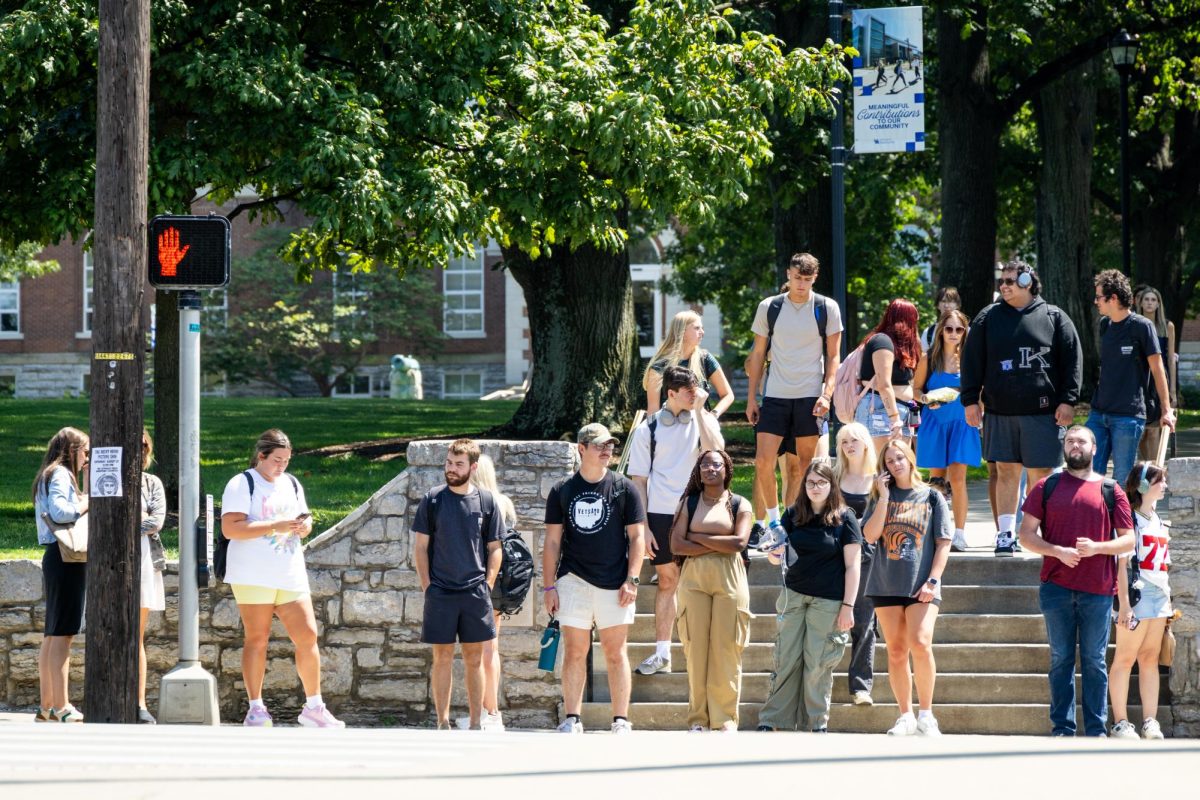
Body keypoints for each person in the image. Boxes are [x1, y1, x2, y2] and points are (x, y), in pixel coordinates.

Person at [221, 428, 344, 728]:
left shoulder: (291, 483)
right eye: (277, 460)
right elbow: (231, 529)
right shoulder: (242, 483)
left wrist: (305, 527)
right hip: (253, 574)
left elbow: (305, 516)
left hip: (289, 571)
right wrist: (274, 525)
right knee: (257, 639)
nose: (282, 466)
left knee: (308, 636)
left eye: (286, 460)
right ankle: (256, 708)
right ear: (261, 456)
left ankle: (314, 706)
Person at [1017, 426, 1135, 737]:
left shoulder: (1111, 490)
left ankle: (1097, 729)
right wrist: (1056, 551)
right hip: (1056, 588)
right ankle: (1063, 728)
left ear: (1094, 449)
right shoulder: (1048, 485)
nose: (1075, 446)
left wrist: (1098, 548)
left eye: (1081, 441)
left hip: (1098, 589)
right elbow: (1025, 535)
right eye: (1070, 441)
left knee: (1095, 661)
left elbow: (1128, 541)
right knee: (1061, 659)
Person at [961, 259, 1082, 557]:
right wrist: (969, 399)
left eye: (1011, 281)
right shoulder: (987, 318)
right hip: (1000, 411)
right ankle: (1005, 534)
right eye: (1001, 281)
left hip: (1042, 412)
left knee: (1041, 475)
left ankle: (1034, 532)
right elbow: (972, 360)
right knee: (1005, 471)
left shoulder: (1054, 317)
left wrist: (1068, 400)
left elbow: (1072, 361)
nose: (1003, 286)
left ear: (1028, 282)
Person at [544, 423, 647, 734]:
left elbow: (638, 537)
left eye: (610, 445)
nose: (607, 450)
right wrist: (549, 585)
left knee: (616, 652)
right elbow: (551, 542)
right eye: (600, 445)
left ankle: (621, 720)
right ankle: (572, 718)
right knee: (575, 651)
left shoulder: (624, 487)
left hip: (615, 581)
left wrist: (633, 578)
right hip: (573, 579)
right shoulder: (562, 490)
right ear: (581, 449)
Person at [628, 365, 724, 677]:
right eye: (688, 392)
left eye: (697, 390)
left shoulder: (701, 420)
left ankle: (703, 650)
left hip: (697, 512)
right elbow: (638, 481)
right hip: (659, 516)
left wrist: (699, 412)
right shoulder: (648, 429)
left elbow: (716, 452)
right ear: (671, 394)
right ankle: (662, 653)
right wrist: (642, 528)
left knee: (699, 582)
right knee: (667, 582)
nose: (695, 395)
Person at [757, 461, 860, 732]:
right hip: (794, 595)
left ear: (831, 485)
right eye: (810, 482)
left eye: (821, 482)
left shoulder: (845, 517)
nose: (815, 488)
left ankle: (816, 722)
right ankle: (773, 720)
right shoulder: (793, 514)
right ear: (804, 486)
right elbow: (774, 555)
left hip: (829, 600)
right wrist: (772, 553)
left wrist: (848, 605)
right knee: (786, 658)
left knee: (818, 661)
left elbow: (853, 566)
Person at [745, 252, 843, 534]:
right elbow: (758, 353)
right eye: (798, 278)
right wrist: (752, 397)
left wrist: (827, 394)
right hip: (775, 394)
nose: (802, 284)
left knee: (803, 467)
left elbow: (834, 356)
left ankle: (794, 520)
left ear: (815, 279)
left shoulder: (826, 307)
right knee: (763, 461)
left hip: (810, 395)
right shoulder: (770, 306)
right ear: (788, 274)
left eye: (808, 280)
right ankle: (773, 522)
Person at [861, 440, 952, 736]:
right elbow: (870, 536)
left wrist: (933, 580)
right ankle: (905, 715)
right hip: (886, 582)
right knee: (897, 650)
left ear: (910, 458)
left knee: (921, 643)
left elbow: (943, 543)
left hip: (922, 583)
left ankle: (927, 713)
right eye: (889, 461)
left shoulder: (932, 497)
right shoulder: (879, 497)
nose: (896, 463)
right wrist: (884, 497)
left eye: (900, 457)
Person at [413, 439, 504, 730]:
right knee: (441, 657)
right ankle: (442, 721)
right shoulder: (433, 499)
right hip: (440, 591)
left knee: (474, 658)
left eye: (459, 464)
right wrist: (427, 585)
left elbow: (495, 548)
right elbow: (420, 547)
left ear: (473, 467)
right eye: (449, 463)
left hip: (475, 591)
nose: (451, 469)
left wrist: (488, 584)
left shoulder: (487, 501)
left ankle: (477, 722)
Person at [668, 450, 753, 731]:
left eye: (716, 464)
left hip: (729, 577)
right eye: (704, 464)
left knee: (726, 649)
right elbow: (677, 546)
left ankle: (725, 718)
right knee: (696, 650)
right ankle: (698, 720)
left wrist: (697, 537)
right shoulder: (688, 503)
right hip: (694, 579)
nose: (710, 469)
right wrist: (719, 542)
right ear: (699, 471)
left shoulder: (739, 504)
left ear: (726, 469)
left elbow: (739, 543)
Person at [1088, 269, 1175, 486]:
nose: (1096, 301)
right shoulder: (1104, 325)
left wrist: (1166, 409)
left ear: (1113, 298)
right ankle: (1095, 519)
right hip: (1099, 412)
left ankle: (1123, 520)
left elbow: (1158, 370)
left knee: (1122, 478)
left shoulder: (1141, 327)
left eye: (1099, 297)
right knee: (1089, 474)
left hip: (1128, 415)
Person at [1109, 461, 1172, 740]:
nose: (1165, 486)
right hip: (1136, 596)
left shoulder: (1158, 519)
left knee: (1149, 659)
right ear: (1144, 486)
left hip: (1160, 597)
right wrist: (1124, 604)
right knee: (1125, 658)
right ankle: (1120, 722)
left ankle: (1150, 720)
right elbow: (1121, 565)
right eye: (1160, 481)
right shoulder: (1129, 521)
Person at [32, 427, 89, 723]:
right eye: (85, 452)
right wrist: (87, 500)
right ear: (72, 450)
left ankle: (47, 706)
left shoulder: (47, 474)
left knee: (52, 633)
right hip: (66, 556)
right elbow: (61, 511)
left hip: (54, 555)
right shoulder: (61, 474)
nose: (86, 458)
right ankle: (63, 705)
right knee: (63, 634)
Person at [457, 453, 515, 731]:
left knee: (480, 649)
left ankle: (486, 712)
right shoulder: (504, 504)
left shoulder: (475, 503)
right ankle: (492, 711)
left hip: (479, 581)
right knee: (492, 646)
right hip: (501, 583)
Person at [914, 310, 980, 552]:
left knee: (959, 479)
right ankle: (935, 532)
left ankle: (959, 534)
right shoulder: (928, 359)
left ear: (965, 332)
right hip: (935, 423)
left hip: (962, 424)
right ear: (941, 329)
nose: (953, 334)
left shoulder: (971, 359)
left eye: (959, 329)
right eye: (949, 328)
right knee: (936, 482)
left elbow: (979, 391)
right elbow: (916, 389)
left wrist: (979, 411)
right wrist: (925, 398)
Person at [833, 423, 877, 706]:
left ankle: (861, 686)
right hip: (833, 556)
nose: (849, 445)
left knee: (863, 621)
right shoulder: (834, 477)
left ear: (865, 444)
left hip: (868, 559)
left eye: (854, 440)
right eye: (844, 441)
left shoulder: (877, 480)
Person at [855, 298, 921, 456]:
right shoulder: (882, 341)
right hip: (881, 411)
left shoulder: (901, 348)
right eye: (913, 322)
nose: (915, 327)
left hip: (899, 412)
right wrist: (895, 419)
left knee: (899, 468)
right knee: (882, 468)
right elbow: (884, 385)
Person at [643, 310, 735, 418]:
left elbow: (728, 395)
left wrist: (713, 415)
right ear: (682, 332)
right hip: (668, 429)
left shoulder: (705, 359)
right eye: (697, 328)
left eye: (702, 328)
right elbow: (653, 409)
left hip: (699, 429)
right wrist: (654, 432)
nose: (702, 332)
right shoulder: (659, 366)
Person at [137, 429, 167, 725]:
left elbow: (155, 522)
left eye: (145, 445)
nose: (142, 450)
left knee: (136, 635)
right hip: (106, 559)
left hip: (143, 558)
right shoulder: (104, 477)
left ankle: (139, 701)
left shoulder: (152, 483)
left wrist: (120, 521)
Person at [1135, 287, 1178, 461]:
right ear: (1140, 303)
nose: (1150, 303)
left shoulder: (1167, 326)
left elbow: (1170, 360)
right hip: (1139, 380)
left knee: (1153, 430)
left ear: (1158, 303)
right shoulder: (1135, 324)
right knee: (1141, 431)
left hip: (1159, 380)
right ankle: (1141, 470)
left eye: (1153, 300)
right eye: (1146, 299)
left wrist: (1172, 390)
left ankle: (1152, 472)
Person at [919, 287, 960, 352]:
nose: (946, 305)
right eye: (943, 301)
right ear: (937, 305)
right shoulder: (928, 333)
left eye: (950, 301)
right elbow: (923, 359)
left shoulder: (967, 331)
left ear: (957, 305)